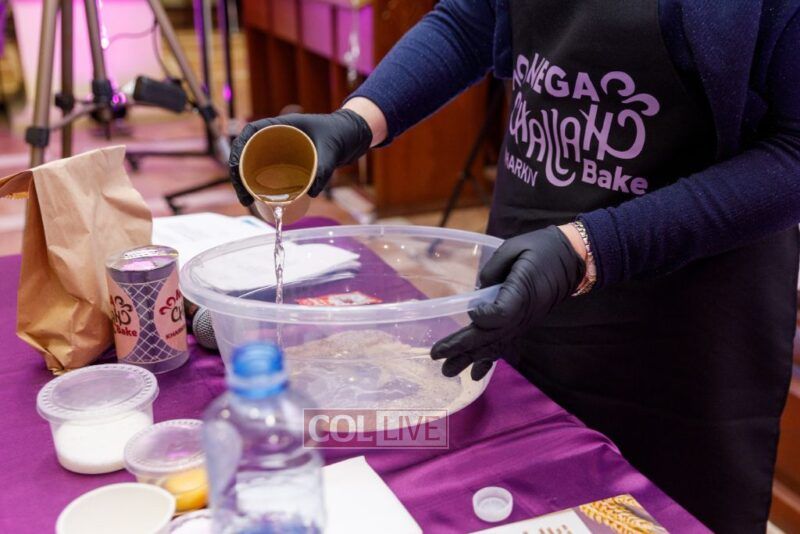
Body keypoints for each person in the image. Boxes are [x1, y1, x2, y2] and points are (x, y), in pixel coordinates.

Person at [229, 1, 800, 531]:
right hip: (530, 266)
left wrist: (591, 247)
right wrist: (358, 120)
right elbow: (471, 18)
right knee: (530, 495)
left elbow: (793, 153)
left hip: (686, 320)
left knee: (657, 514)